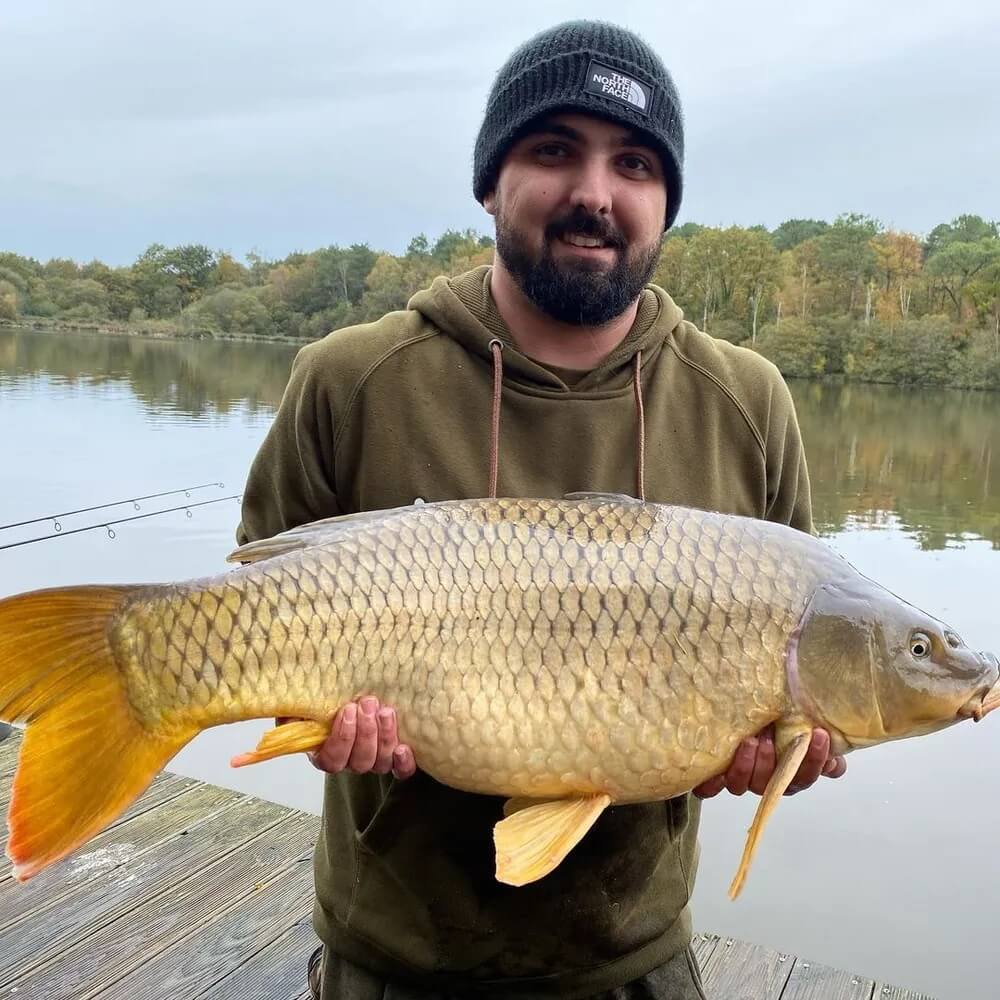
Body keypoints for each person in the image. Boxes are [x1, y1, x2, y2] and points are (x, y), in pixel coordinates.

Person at [237, 19, 847, 1000]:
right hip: (395, 954)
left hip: (635, 950)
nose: (594, 193)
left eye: (635, 163)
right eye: (554, 149)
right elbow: (262, 622)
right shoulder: (348, 379)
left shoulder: (748, 400)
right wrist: (314, 717)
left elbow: (801, 647)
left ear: (666, 200)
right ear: (490, 180)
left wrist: (784, 745)